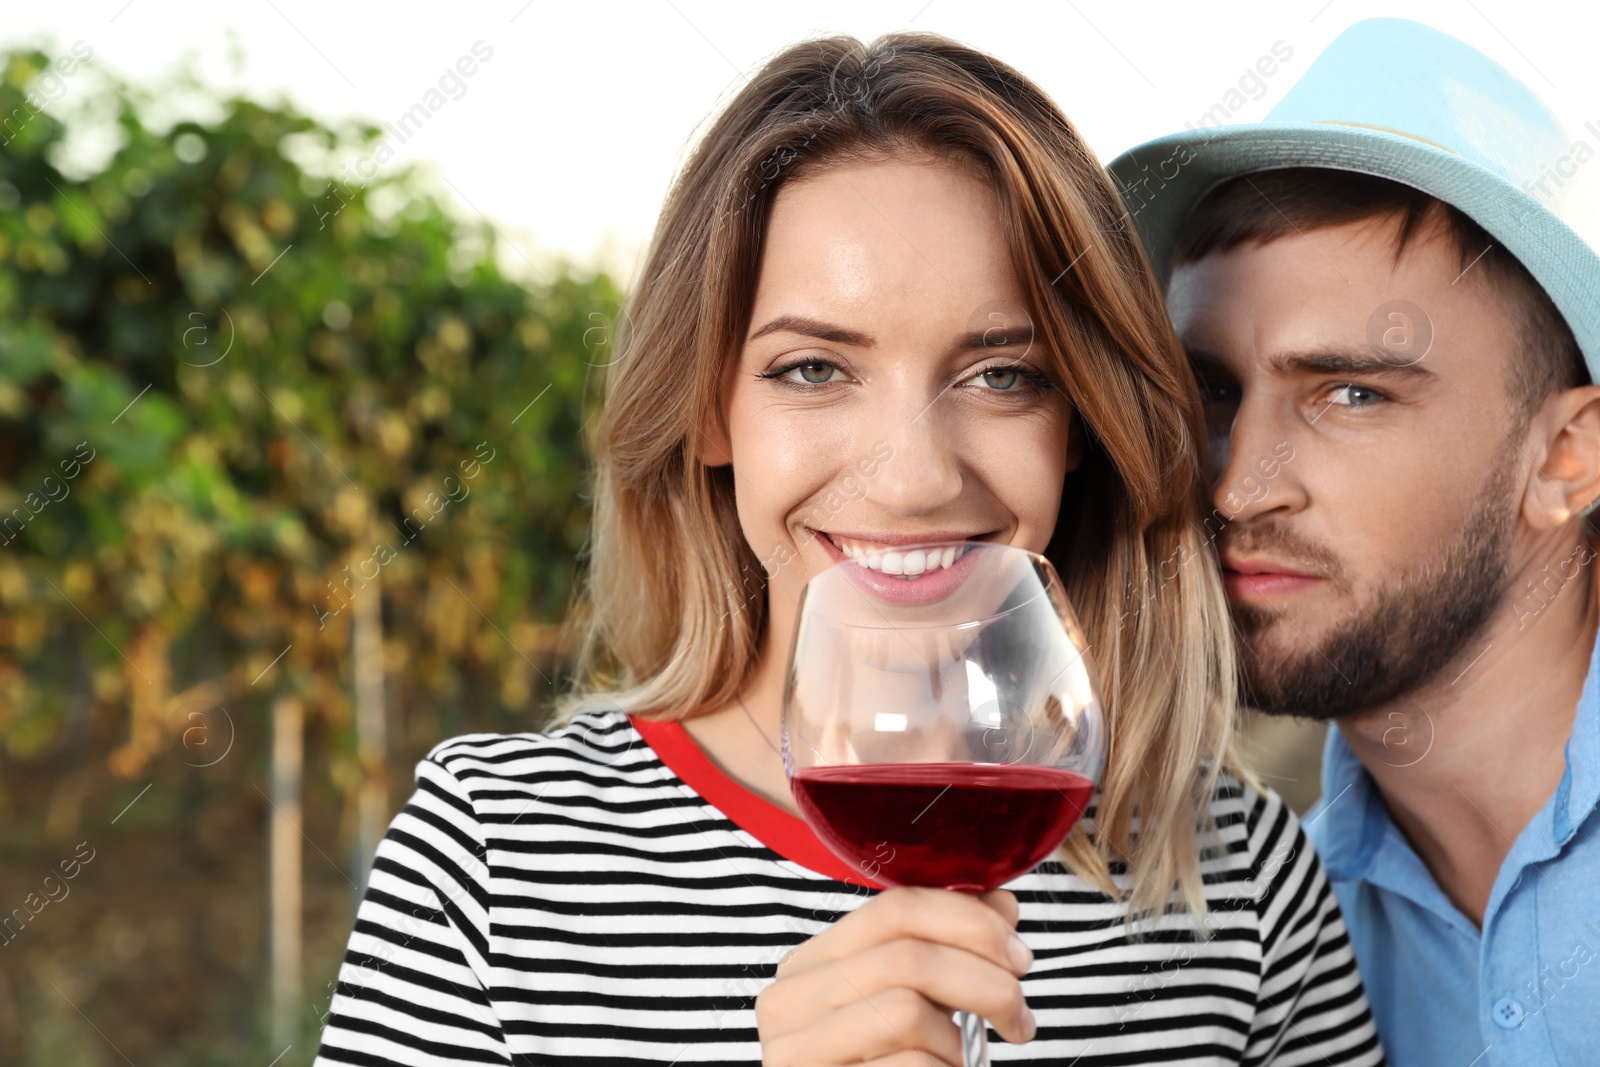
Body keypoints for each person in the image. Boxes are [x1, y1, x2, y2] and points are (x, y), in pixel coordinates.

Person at [312, 32, 1382, 1066]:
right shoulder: (494, 859)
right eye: (814, 368)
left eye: (1003, 374)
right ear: (709, 410)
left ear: (1080, 428)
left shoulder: (1241, 880)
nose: (913, 479)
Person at [1108, 17, 1600, 1067]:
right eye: (1213, 392)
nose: (1237, 485)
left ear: (1566, 457)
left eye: (1349, 392)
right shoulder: (1263, 950)